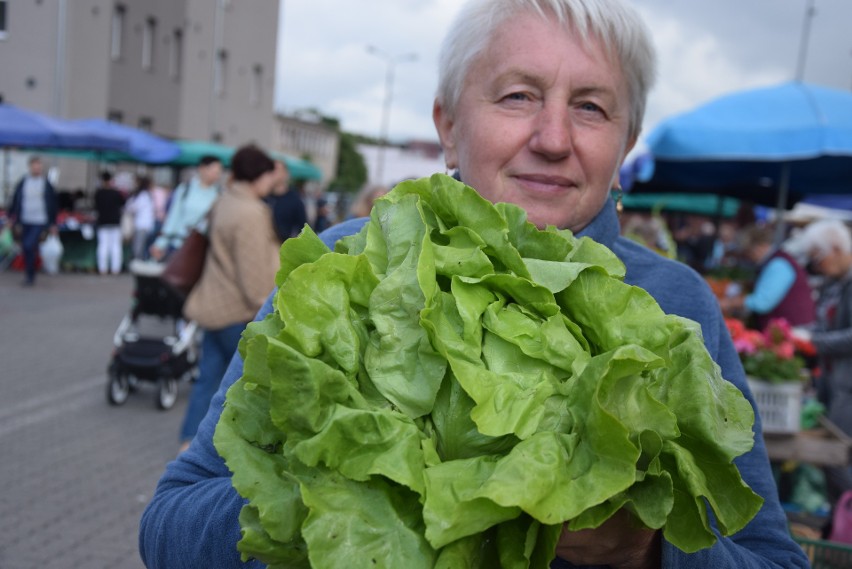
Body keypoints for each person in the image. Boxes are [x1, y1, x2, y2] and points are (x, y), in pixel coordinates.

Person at [140, 1, 808, 567]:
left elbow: (771, 557)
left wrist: (650, 549)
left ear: (626, 141)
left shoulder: (676, 305)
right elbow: (167, 524)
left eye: (591, 107)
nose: (552, 137)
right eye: (518, 95)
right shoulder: (346, 267)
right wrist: (333, 474)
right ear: (449, 126)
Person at [177, 145, 281, 453]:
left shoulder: (224, 201)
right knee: (241, 388)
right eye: (268, 176)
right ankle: (218, 451)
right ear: (258, 175)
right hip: (239, 311)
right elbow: (253, 277)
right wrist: (268, 308)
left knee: (207, 380)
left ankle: (188, 443)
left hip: (213, 304)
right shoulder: (251, 213)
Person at [791, 219, 852, 507]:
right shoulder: (834, 283)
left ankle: (845, 521)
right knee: (832, 459)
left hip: (847, 388)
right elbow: (826, 324)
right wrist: (802, 333)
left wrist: (814, 341)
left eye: (818, 258)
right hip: (831, 383)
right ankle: (840, 522)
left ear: (837, 249)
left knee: (838, 456)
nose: (816, 266)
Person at [720, 224, 816, 329]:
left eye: (748, 252)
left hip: (794, 330)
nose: (748, 258)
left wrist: (731, 303)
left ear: (759, 247)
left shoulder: (778, 264)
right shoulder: (776, 261)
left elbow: (762, 303)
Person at [149, 155, 223, 261]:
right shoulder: (185, 189)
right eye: (214, 171)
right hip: (179, 245)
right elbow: (173, 217)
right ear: (202, 168)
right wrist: (160, 243)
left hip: (204, 248)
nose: (217, 175)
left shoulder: (219, 194)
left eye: (219, 172)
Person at [7, 156, 59, 286]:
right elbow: (15, 200)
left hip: (39, 220)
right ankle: (30, 272)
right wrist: (11, 217)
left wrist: (53, 223)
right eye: (34, 165)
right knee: (27, 247)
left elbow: (53, 204)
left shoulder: (46, 184)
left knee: (29, 245)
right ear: (30, 167)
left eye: (39, 165)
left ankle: (31, 274)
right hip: (25, 220)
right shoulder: (23, 182)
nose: (37, 168)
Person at [265, 159, 308, 242]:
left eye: (276, 169)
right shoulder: (264, 197)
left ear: (285, 174)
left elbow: (303, 229)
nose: (273, 173)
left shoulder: (295, 201)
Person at [93, 171, 125, 275]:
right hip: (115, 222)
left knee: (103, 246)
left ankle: (103, 269)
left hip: (102, 222)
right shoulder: (116, 193)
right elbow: (123, 204)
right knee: (115, 246)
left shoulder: (98, 193)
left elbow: (95, 207)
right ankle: (115, 269)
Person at [124, 176, 156, 260]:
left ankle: (137, 263)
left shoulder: (142, 195)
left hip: (142, 224)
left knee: (138, 247)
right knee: (142, 247)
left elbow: (131, 207)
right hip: (146, 224)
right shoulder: (147, 195)